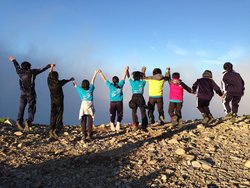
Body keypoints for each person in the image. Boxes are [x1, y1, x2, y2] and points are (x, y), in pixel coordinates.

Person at [9, 56, 51, 131]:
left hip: (22, 93)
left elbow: (17, 66)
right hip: (31, 93)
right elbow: (41, 69)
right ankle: (28, 122)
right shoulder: (32, 72)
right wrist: (48, 66)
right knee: (31, 108)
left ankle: (19, 121)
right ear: (28, 67)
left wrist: (14, 60)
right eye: (30, 66)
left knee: (21, 107)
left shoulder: (19, 72)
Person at [47, 64, 74, 138]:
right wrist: (70, 79)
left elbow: (50, 74)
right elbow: (64, 81)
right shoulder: (58, 83)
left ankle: (51, 130)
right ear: (57, 77)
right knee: (59, 115)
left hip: (53, 101)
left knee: (53, 115)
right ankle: (57, 129)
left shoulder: (49, 82)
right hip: (59, 101)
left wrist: (51, 67)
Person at [99, 67, 128, 132]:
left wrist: (100, 73)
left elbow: (104, 79)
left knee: (112, 113)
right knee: (120, 114)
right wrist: (125, 70)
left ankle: (112, 125)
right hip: (119, 102)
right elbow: (124, 77)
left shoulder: (110, 85)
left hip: (112, 102)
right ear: (118, 80)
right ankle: (118, 125)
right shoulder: (120, 84)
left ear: (112, 81)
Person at [73, 70, 98, 142]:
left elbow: (75, 85)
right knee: (90, 120)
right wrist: (95, 73)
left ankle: (84, 134)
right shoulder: (91, 89)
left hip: (83, 105)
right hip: (90, 105)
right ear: (88, 85)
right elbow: (93, 81)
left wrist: (73, 80)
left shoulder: (80, 89)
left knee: (83, 120)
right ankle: (89, 134)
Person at [127, 67, 148, 132]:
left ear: (134, 77)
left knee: (134, 112)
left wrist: (127, 70)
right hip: (141, 97)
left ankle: (135, 124)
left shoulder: (132, 83)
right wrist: (144, 71)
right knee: (143, 111)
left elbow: (128, 77)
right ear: (140, 76)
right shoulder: (142, 82)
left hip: (134, 97)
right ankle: (144, 126)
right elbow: (144, 78)